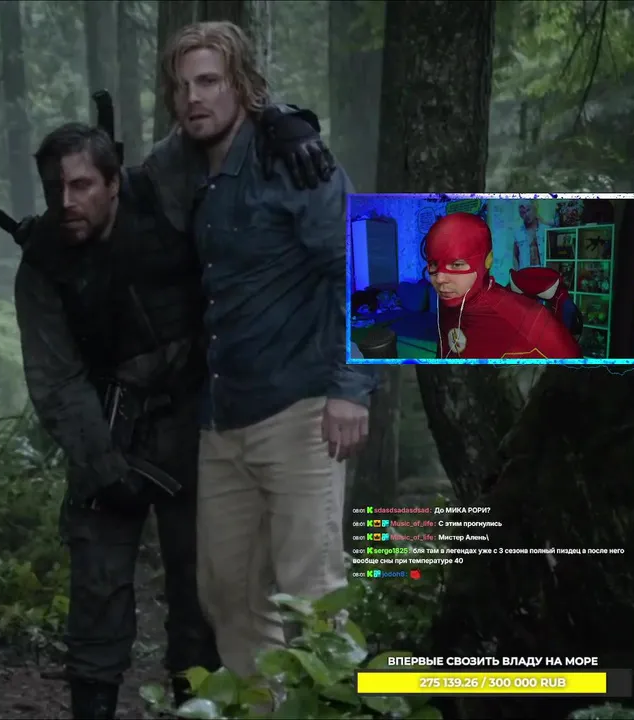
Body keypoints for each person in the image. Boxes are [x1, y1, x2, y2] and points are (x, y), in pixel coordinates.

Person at [144, 20, 377, 682]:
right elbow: (135, 179)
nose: (194, 97)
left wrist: (350, 390)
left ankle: (333, 707)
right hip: (223, 417)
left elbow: (365, 270)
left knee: (314, 596)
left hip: (302, 409)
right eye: (182, 86)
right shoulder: (188, 168)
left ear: (241, 85)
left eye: (209, 81)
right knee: (227, 595)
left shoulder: (296, 165)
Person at [15, 123, 221, 719]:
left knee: (199, 597)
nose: (65, 202)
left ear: (113, 184)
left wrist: (289, 126)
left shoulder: (162, 200)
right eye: (54, 189)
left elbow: (223, 117)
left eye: (81, 185)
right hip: (105, 429)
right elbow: (55, 379)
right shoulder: (44, 264)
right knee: (96, 597)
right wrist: (106, 468)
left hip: (191, 424)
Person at [425, 213, 582, 359]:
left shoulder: (531, 323)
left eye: (457, 264)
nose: (439, 278)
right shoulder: (447, 301)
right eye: (433, 264)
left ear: (487, 261)